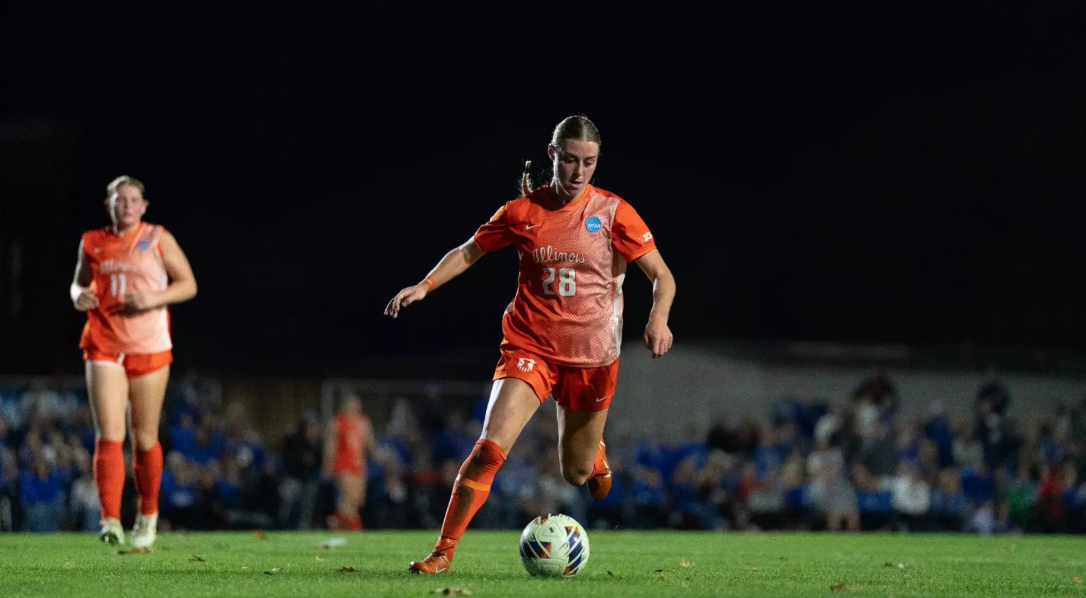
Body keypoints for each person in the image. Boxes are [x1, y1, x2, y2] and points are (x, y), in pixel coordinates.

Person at [384, 114, 676, 574]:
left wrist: (658, 317)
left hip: (593, 358)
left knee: (576, 474)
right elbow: (468, 250)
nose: (579, 172)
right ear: (552, 155)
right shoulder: (522, 212)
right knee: (489, 448)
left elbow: (662, 276)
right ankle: (442, 553)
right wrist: (426, 285)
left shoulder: (614, 213)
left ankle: (593, 453)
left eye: (589, 162)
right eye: (570, 160)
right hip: (530, 346)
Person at [70, 175, 197, 547]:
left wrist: (153, 299)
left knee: (144, 437)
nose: (126, 205)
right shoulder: (92, 241)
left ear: (143, 206)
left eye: (133, 199)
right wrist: (79, 295)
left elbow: (188, 284)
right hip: (104, 343)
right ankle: (109, 519)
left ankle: (148, 515)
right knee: (109, 434)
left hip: (149, 346)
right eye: (119, 199)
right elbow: (79, 283)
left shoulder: (158, 238)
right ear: (108, 204)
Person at [322, 394, 376, 531]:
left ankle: (335, 522)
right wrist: (328, 465)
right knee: (349, 499)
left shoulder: (364, 422)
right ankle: (356, 530)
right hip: (344, 465)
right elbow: (331, 445)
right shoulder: (337, 422)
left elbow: (370, 446)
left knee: (357, 501)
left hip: (359, 466)